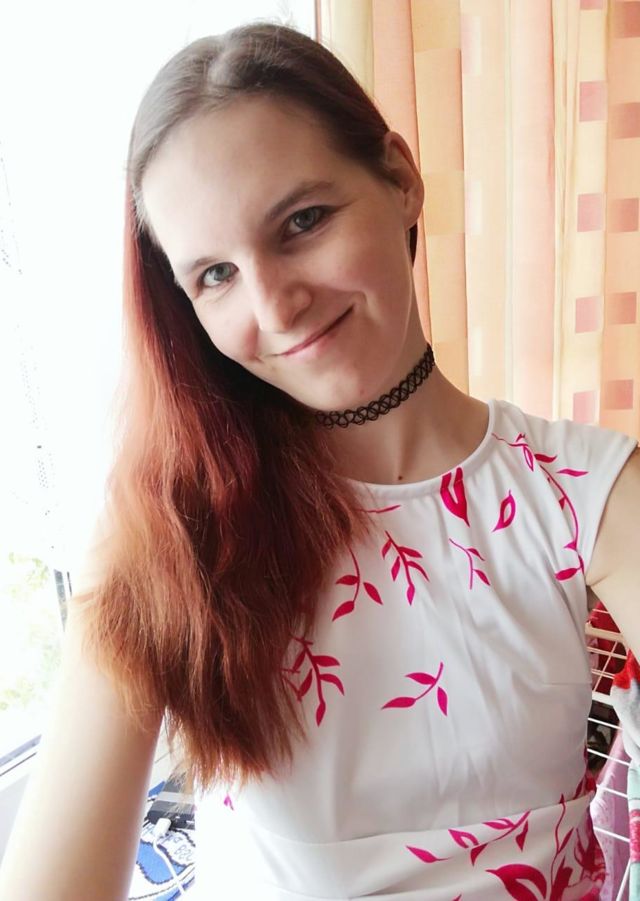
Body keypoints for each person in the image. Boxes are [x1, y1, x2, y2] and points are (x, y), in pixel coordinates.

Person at [1, 21, 639, 901]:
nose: (276, 305)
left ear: (401, 180)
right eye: (216, 275)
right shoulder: (170, 520)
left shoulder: (585, 495)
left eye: (302, 222)